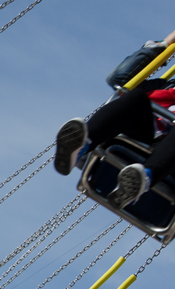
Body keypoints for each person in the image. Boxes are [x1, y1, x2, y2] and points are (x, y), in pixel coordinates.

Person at [55, 28, 175, 209]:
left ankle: (143, 178)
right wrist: (164, 45)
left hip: (167, 154)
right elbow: (119, 78)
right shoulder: (167, 87)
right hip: (143, 133)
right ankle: (80, 146)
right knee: (135, 97)